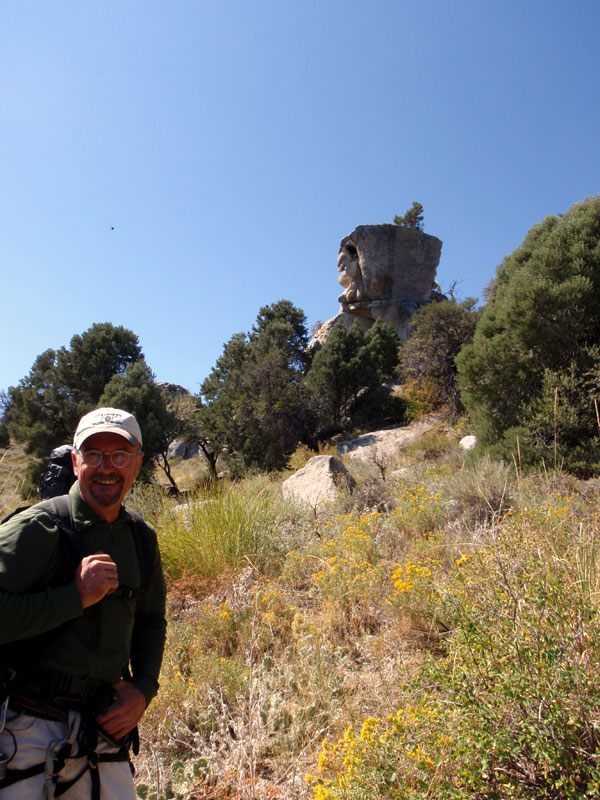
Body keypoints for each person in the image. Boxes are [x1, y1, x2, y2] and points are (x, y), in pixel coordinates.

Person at [0, 408, 166, 799]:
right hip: (26, 725)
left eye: (119, 456)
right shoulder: (40, 528)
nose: (106, 468)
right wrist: (73, 598)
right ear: (75, 462)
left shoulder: (141, 538)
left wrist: (143, 689)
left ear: (137, 464)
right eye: (93, 455)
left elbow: (151, 620)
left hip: (103, 727)